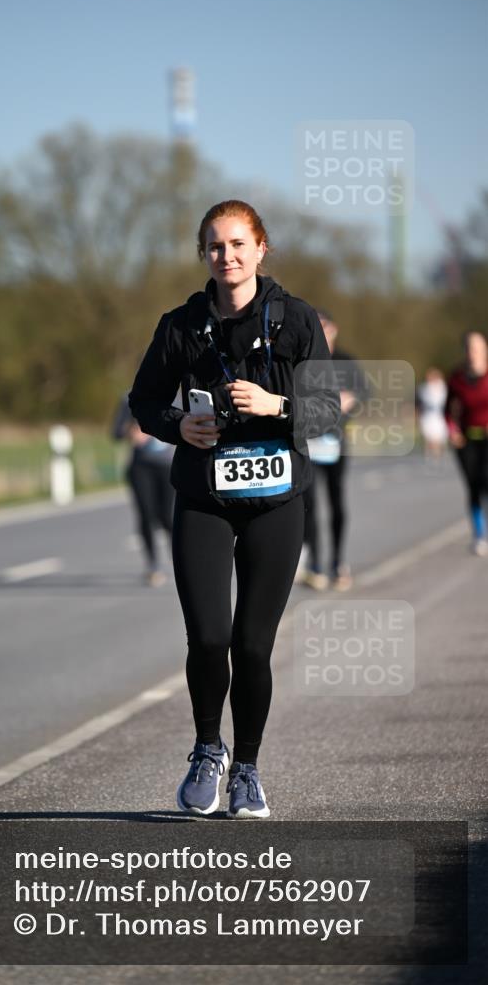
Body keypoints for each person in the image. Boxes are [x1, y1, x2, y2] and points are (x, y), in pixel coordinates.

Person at [129, 200, 339, 818]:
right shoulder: (180, 325)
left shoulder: (296, 319)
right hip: (203, 499)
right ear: (205, 255)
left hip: (276, 500)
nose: (228, 256)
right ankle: (206, 749)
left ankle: (246, 768)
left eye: (239, 244)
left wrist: (278, 407)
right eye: (216, 246)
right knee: (208, 637)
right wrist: (179, 426)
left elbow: (327, 410)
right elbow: (143, 401)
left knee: (251, 645)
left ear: (261, 248)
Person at [301, 311, 366, 592]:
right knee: (309, 506)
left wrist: (351, 400)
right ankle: (315, 564)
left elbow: (365, 391)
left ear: (334, 329)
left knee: (336, 501)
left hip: (336, 441)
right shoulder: (302, 359)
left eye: (324, 326)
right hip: (308, 442)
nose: (320, 332)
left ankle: (338, 561)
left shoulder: (346, 360)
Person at [112, 393, 174, 587]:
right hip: (141, 467)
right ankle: (152, 565)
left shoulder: (179, 397)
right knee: (146, 514)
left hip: (168, 466)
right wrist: (131, 430)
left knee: (168, 516)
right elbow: (115, 433)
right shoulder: (129, 399)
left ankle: (180, 557)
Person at [445, 331, 488, 556]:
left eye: (477, 347)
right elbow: (448, 410)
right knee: (474, 486)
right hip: (468, 439)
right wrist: (453, 430)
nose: (473, 352)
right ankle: (479, 535)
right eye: (469, 348)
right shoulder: (457, 378)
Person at [416, 367, 448, 464]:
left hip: (440, 416)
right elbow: (418, 404)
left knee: (439, 437)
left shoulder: (444, 388)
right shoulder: (423, 388)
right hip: (428, 416)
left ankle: (439, 457)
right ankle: (429, 457)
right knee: (429, 437)